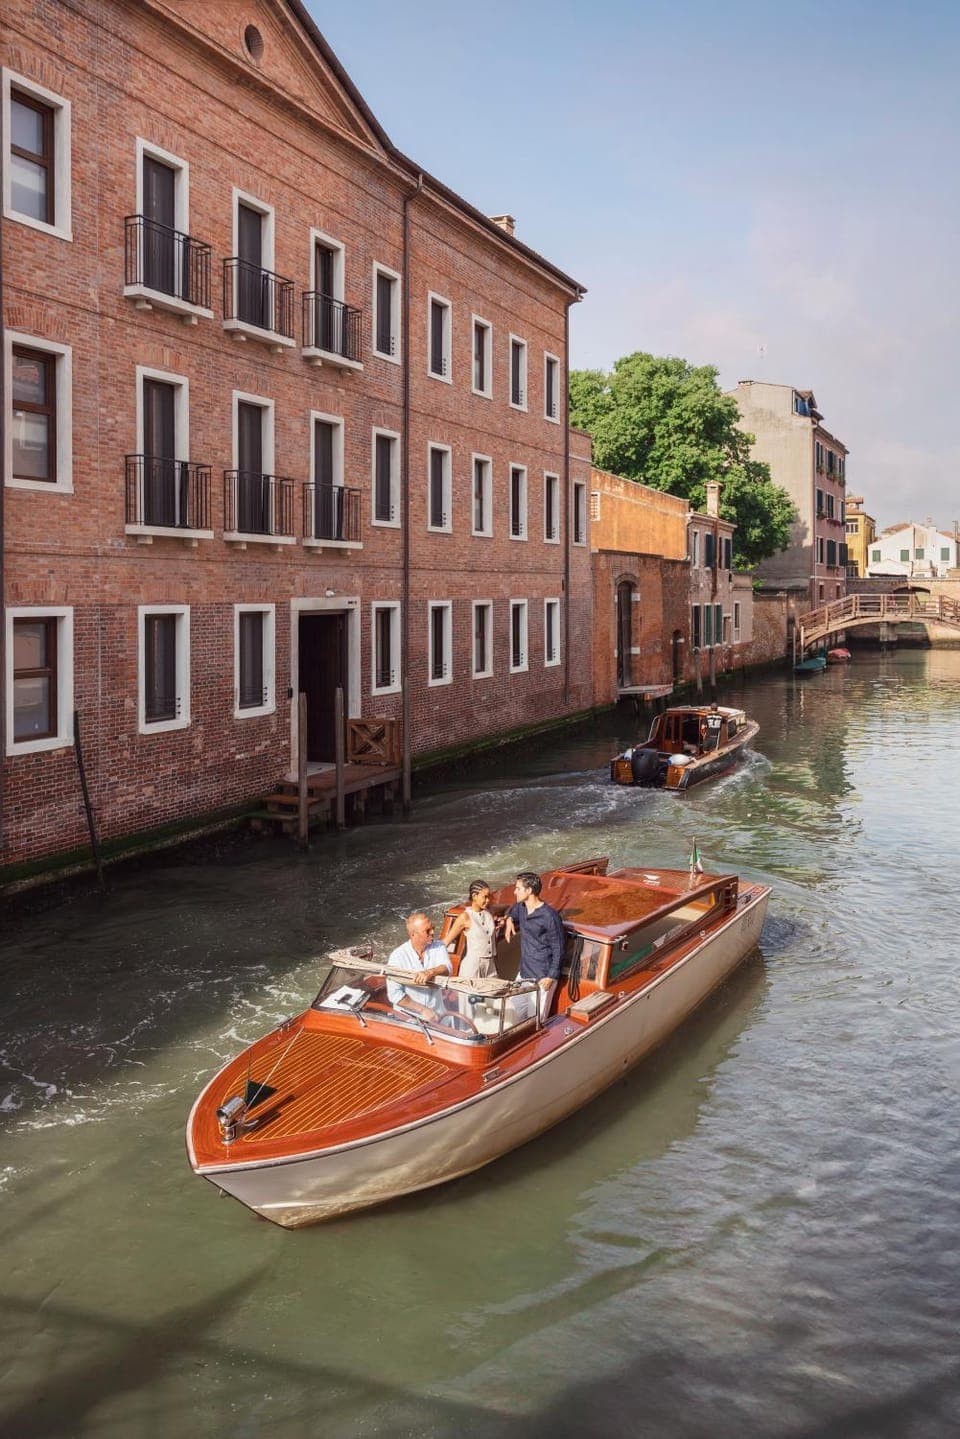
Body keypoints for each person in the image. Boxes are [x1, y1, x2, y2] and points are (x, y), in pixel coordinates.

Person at [503, 871, 565, 1020]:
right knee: (512, 1014)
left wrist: (551, 977)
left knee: (535, 1021)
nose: (514, 891)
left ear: (529, 890)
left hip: (542, 977)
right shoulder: (522, 907)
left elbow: (559, 948)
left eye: (518, 888)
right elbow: (513, 911)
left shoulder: (549, 916)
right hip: (524, 973)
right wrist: (509, 919)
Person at [385, 911, 452, 1022]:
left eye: (433, 928)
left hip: (438, 1015)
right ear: (413, 934)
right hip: (409, 1020)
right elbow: (395, 994)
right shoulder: (397, 956)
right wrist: (423, 1010)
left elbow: (447, 968)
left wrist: (430, 972)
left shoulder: (439, 946)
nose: (432, 932)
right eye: (427, 931)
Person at [444, 880, 500, 980]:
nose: (488, 900)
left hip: (490, 967)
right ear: (474, 896)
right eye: (485, 897)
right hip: (472, 968)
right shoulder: (465, 917)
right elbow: (446, 942)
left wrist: (508, 919)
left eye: (489, 897)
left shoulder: (489, 913)